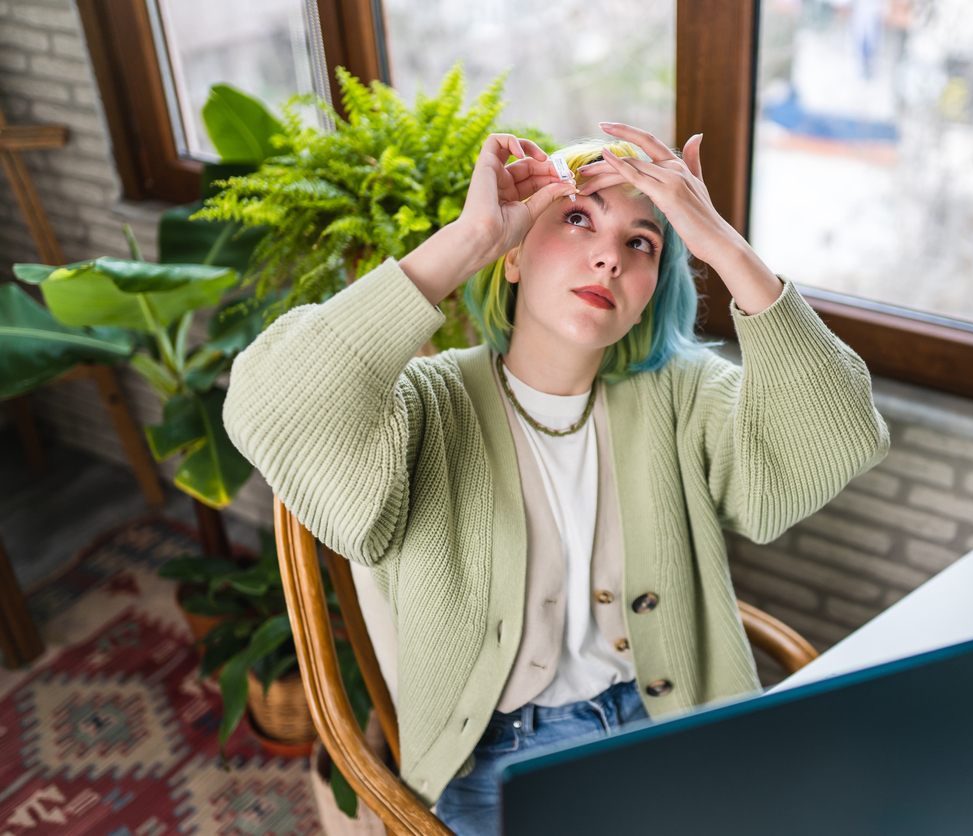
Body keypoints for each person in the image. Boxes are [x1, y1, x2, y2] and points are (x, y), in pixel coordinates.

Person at [223, 121, 890, 835]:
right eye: (577, 218)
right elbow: (268, 403)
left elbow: (840, 436)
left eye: (642, 243)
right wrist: (471, 238)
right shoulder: (427, 403)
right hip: (500, 766)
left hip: (670, 726)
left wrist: (722, 245)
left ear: (649, 290)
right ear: (512, 258)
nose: (608, 257)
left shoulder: (681, 394)